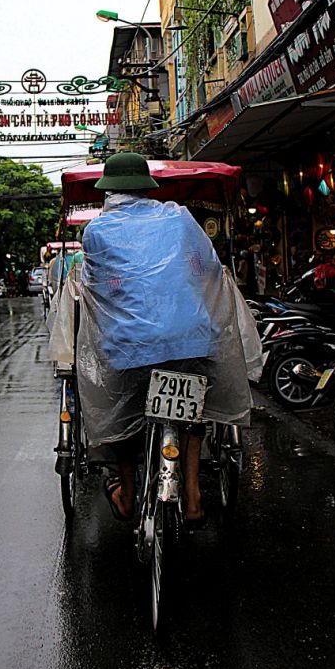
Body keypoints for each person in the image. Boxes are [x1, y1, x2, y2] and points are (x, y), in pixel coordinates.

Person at [77, 152, 258, 526]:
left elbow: (100, 286)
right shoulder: (178, 218)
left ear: (107, 191)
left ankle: (127, 495)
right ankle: (192, 497)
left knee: (125, 415)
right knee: (190, 411)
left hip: (128, 345)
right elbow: (205, 269)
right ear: (148, 188)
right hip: (191, 336)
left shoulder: (96, 231)